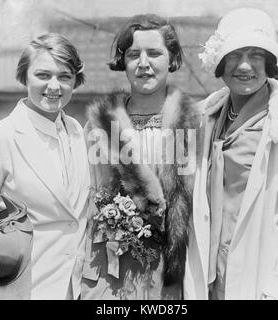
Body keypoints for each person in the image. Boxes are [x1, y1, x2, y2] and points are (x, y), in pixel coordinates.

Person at [186, 8, 278, 300]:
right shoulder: (204, 117)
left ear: (270, 63)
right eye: (234, 55)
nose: (245, 66)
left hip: (259, 282)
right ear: (220, 64)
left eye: (256, 55)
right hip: (208, 284)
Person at [0, 33, 90, 299]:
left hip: (77, 289)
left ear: (75, 81)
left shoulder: (77, 131)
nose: (54, 86)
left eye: (64, 76)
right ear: (24, 77)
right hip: (23, 291)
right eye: (43, 75)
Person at [80, 14, 204, 300]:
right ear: (123, 61)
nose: (144, 63)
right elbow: (86, 193)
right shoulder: (100, 125)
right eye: (134, 54)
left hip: (172, 268)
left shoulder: (194, 122)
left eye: (155, 53)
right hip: (111, 263)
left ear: (171, 59)